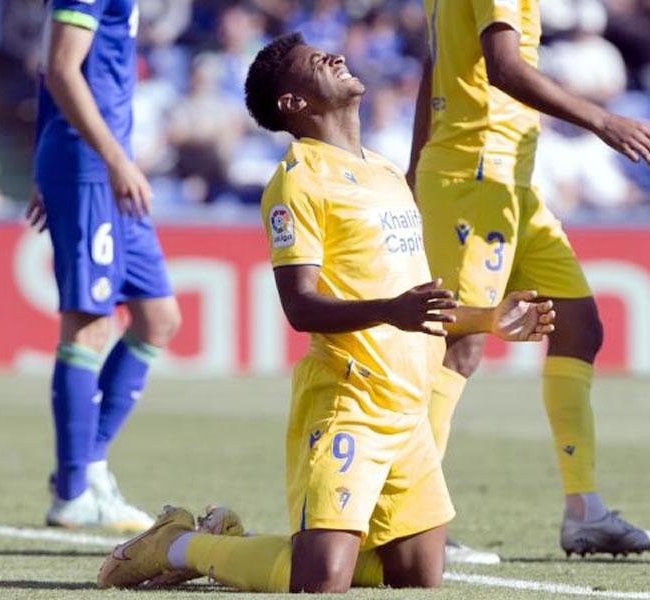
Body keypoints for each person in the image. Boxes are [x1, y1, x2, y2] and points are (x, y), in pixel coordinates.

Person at [96, 32, 556, 593]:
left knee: (416, 577)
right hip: (350, 400)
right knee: (319, 583)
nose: (337, 57)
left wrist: (488, 319)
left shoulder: (386, 173)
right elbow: (300, 306)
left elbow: (418, 305)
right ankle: (179, 545)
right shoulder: (298, 181)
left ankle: (234, 542)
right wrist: (392, 309)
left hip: (407, 406)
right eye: (318, 62)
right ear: (295, 104)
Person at [406, 0, 650, 558]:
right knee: (459, 344)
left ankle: (584, 514)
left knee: (578, 325)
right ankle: (412, 518)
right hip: (473, 167)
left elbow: (436, 61)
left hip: (509, 181)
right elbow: (503, 67)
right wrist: (602, 119)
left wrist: (414, 164)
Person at [28, 0, 180, 532]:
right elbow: (63, 67)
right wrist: (112, 160)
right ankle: (72, 492)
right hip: (95, 164)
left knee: (158, 317)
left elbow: (51, 68)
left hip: (96, 159)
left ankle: (87, 466)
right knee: (90, 325)